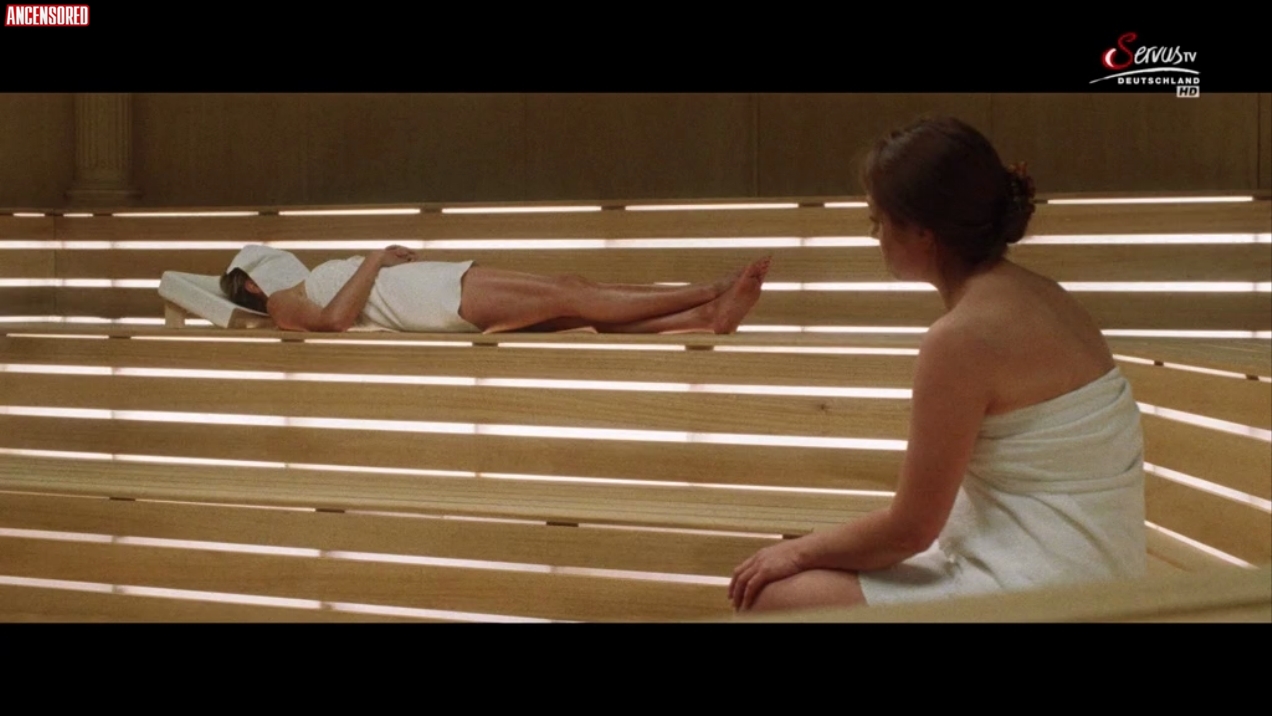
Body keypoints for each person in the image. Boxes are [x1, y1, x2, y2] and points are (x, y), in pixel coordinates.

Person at [728, 116, 1147, 613]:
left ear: (923, 232)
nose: (875, 236)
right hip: (1095, 568)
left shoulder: (962, 337)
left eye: (878, 221)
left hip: (1047, 587)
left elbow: (910, 530)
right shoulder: (1047, 295)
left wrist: (797, 551)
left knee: (772, 597)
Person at [219, 245, 770, 334]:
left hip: (435, 289)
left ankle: (703, 319)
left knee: (578, 306)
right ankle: (706, 292)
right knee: (572, 292)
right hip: (435, 298)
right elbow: (334, 321)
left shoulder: (304, 280)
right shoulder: (281, 300)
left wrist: (375, 263)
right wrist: (374, 259)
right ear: (251, 282)